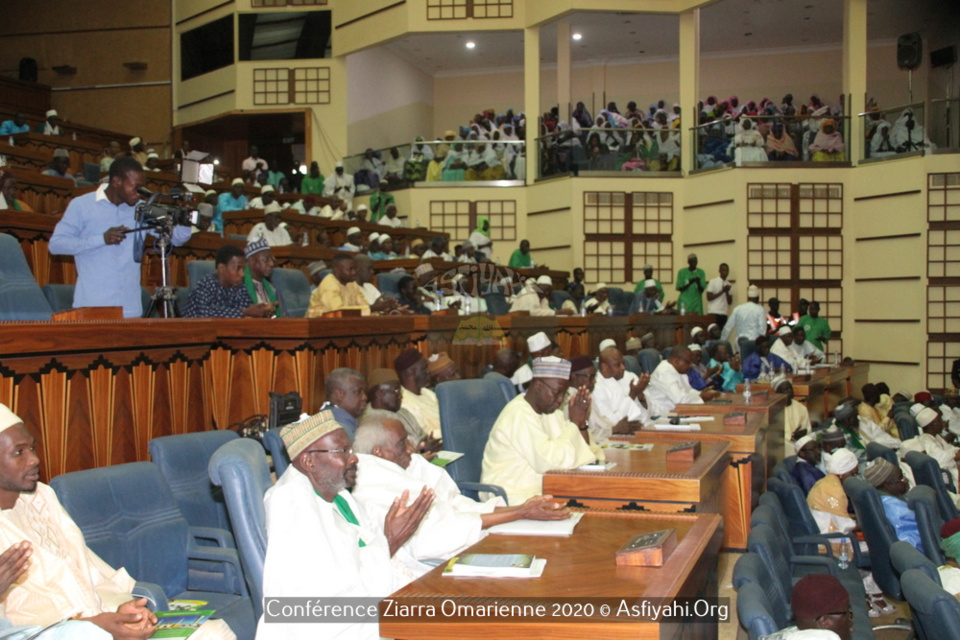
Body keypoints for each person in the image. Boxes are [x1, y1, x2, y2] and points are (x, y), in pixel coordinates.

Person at [0, 404, 233, 638]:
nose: (34, 460)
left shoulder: (41, 497)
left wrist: (122, 610)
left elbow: (88, 570)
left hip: (99, 623)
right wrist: (96, 626)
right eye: (19, 452)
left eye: (32, 448)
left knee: (214, 632)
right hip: (68, 634)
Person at [259, 409, 433, 640]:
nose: (354, 458)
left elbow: (362, 553)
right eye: (342, 452)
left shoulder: (338, 493)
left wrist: (388, 539)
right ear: (309, 461)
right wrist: (390, 541)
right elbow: (332, 601)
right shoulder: (292, 504)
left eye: (350, 449)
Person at [352, 410, 568, 577]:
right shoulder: (370, 482)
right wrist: (520, 513)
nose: (411, 448)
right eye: (402, 444)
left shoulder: (409, 463)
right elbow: (434, 536)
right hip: (436, 567)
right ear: (378, 452)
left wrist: (521, 509)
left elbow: (453, 502)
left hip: (469, 542)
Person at [48, 157, 190, 318]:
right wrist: (102, 239)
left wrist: (185, 219)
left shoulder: (141, 210)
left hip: (130, 309)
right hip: (92, 307)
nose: (139, 193)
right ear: (116, 181)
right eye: (135, 187)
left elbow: (177, 239)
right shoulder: (82, 205)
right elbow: (56, 245)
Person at [481, 357, 604, 505]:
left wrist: (580, 423)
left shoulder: (551, 413)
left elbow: (581, 451)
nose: (560, 400)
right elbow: (549, 463)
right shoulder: (519, 414)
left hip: (541, 491)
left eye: (563, 394)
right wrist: (575, 424)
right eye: (557, 392)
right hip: (510, 497)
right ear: (538, 386)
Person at [181, 244, 276, 318]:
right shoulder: (205, 285)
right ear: (221, 268)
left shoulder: (239, 287)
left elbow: (248, 309)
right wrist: (244, 313)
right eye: (238, 268)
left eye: (243, 269)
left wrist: (262, 311)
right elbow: (204, 313)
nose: (242, 274)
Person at [761, 574, 852, 640]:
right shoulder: (829, 638)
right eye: (848, 614)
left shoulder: (788, 633)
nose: (851, 625)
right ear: (825, 621)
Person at [590, 347, 651, 442]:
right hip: (617, 438)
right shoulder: (596, 387)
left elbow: (650, 412)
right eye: (617, 365)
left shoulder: (630, 376)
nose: (623, 367)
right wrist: (632, 395)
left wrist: (640, 395)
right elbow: (612, 423)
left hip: (644, 428)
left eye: (623, 363)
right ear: (605, 367)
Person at [863, 458, 923, 552]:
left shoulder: (884, 498)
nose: (906, 480)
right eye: (901, 478)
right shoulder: (895, 510)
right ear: (887, 485)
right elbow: (912, 546)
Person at [645, 346, 719, 415]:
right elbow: (679, 400)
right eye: (688, 362)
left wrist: (701, 393)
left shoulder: (679, 370)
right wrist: (701, 397)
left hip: (676, 411)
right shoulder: (664, 372)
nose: (691, 366)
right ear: (676, 361)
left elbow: (688, 391)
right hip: (661, 415)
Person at [395, 349, 442, 440]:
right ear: (411, 372)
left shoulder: (426, 392)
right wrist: (454, 428)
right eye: (424, 368)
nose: (428, 372)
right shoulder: (404, 403)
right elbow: (426, 435)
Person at [306, 252, 371, 317]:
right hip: (317, 323)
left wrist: (372, 308)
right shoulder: (329, 284)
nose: (354, 272)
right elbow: (337, 311)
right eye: (350, 269)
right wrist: (371, 308)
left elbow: (363, 304)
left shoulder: (352, 283)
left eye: (354, 269)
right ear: (336, 269)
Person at [242, 238, 285, 317]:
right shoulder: (241, 287)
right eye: (266, 260)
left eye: (271, 259)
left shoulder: (271, 288)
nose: (272, 264)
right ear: (251, 262)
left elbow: (277, 317)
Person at [721, 284, 768, 350]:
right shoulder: (760, 309)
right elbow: (762, 330)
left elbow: (727, 327)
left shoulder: (738, 308)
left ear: (748, 298)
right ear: (758, 298)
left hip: (739, 343)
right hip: (753, 343)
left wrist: (721, 341)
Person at [326, 368, 368, 440]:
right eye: (358, 392)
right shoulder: (339, 431)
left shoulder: (328, 415)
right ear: (340, 394)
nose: (364, 397)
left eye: (364, 392)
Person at [705, 263, 732, 328]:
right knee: (713, 334)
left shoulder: (729, 284)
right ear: (719, 271)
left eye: (727, 270)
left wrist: (727, 291)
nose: (725, 272)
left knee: (722, 335)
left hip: (723, 313)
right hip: (713, 312)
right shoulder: (713, 281)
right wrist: (722, 291)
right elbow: (709, 297)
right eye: (723, 270)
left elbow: (730, 302)